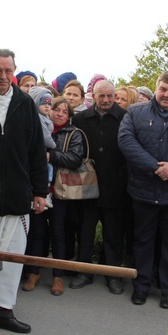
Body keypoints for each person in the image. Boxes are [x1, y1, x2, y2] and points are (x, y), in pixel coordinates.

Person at [0, 48, 49, 334]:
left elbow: (37, 151)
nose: (3, 76)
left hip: (15, 193)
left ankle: (3, 309)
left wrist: (40, 191)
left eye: (8, 71)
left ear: (14, 70)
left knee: (11, 255)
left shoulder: (25, 103)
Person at [118, 71, 168, 309]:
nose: (167, 95)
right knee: (143, 241)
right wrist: (156, 168)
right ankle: (141, 287)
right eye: (163, 89)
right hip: (143, 190)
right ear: (157, 88)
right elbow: (126, 141)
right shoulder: (135, 112)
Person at [71, 80, 129, 294]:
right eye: (101, 96)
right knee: (85, 231)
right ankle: (84, 272)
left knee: (113, 233)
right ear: (93, 96)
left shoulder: (125, 117)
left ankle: (113, 275)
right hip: (87, 186)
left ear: (114, 96)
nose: (106, 100)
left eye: (110, 96)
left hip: (116, 186)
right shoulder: (79, 119)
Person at [22, 97, 84, 296]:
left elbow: (75, 158)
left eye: (65, 112)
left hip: (59, 191)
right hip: (38, 189)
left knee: (58, 232)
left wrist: (50, 156)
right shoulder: (39, 127)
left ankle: (57, 276)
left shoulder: (73, 133)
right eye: (57, 109)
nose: (59, 114)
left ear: (69, 116)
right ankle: (34, 271)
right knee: (37, 232)